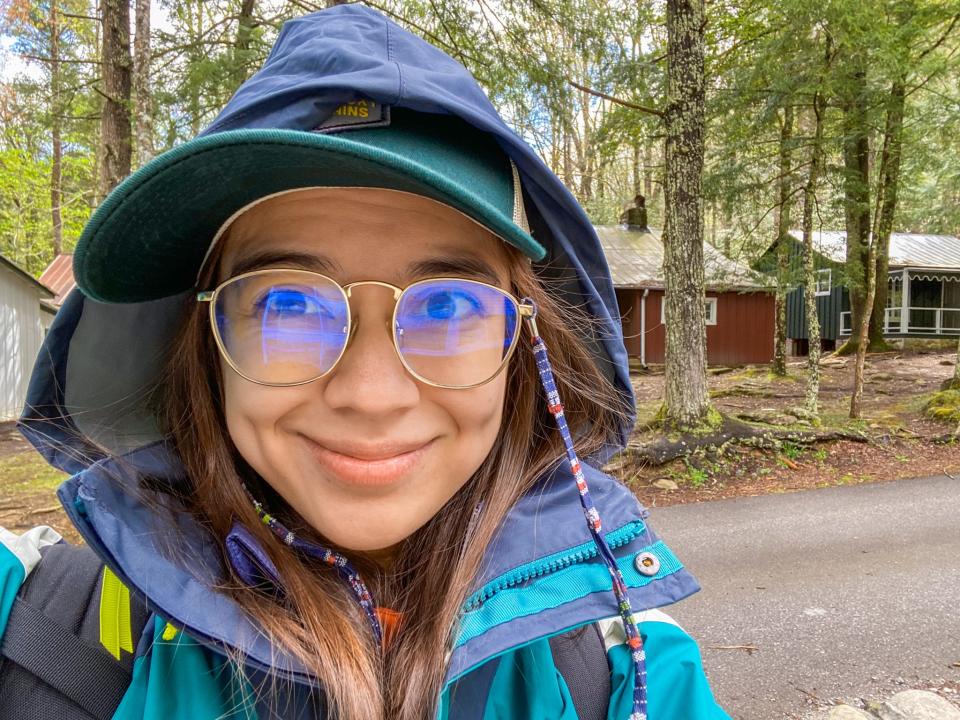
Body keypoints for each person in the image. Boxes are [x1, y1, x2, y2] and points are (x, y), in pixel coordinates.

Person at [0, 5, 730, 719]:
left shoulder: (625, 674)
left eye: (447, 308)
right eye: (288, 307)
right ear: (203, 349)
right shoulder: (35, 627)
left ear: (527, 353)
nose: (371, 396)